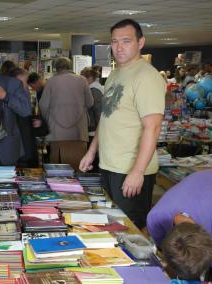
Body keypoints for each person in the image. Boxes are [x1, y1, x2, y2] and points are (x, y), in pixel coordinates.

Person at [79, 18, 165, 229]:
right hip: (108, 165)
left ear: (140, 42)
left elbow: (152, 126)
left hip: (130, 169)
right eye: (114, 41)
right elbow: (106, 117)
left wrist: (137, 171)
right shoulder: (116, 74)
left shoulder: (147, 76)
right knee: (110, 224)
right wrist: (92, 151)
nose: (119, 47)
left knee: (129, 230)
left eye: (126, 41)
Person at [39, 57, 94, 170]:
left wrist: (48, 119)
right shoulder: (82, 80)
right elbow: (90, 103)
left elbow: (43, 105)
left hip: (57, 133)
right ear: (71, 66)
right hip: (78, 133)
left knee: (59, 171)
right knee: (78, 168)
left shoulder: (51, 82)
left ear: (56, 68)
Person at [9, 67, 38, 167]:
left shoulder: (24, 103)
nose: (27, 87)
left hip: (27, 153)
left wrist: (39, 122)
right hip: (20, 156)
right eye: (23, 84)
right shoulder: (10, 105)